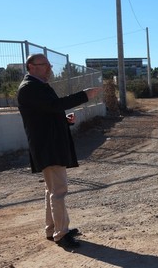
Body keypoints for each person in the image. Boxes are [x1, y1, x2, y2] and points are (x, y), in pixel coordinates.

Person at [17, 53, 101, 249]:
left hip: (50, 144)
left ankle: (52, 229)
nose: (49, 68)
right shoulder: (29, 88)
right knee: (58, 191)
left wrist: (65, 120)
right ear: (31, 66)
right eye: (44, 64)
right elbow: (55, 105)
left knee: (52, 190)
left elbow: (47, 113)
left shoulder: (38, 86)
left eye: (49, 65)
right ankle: (61, 234)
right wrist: (84, 95)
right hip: (48, 146)